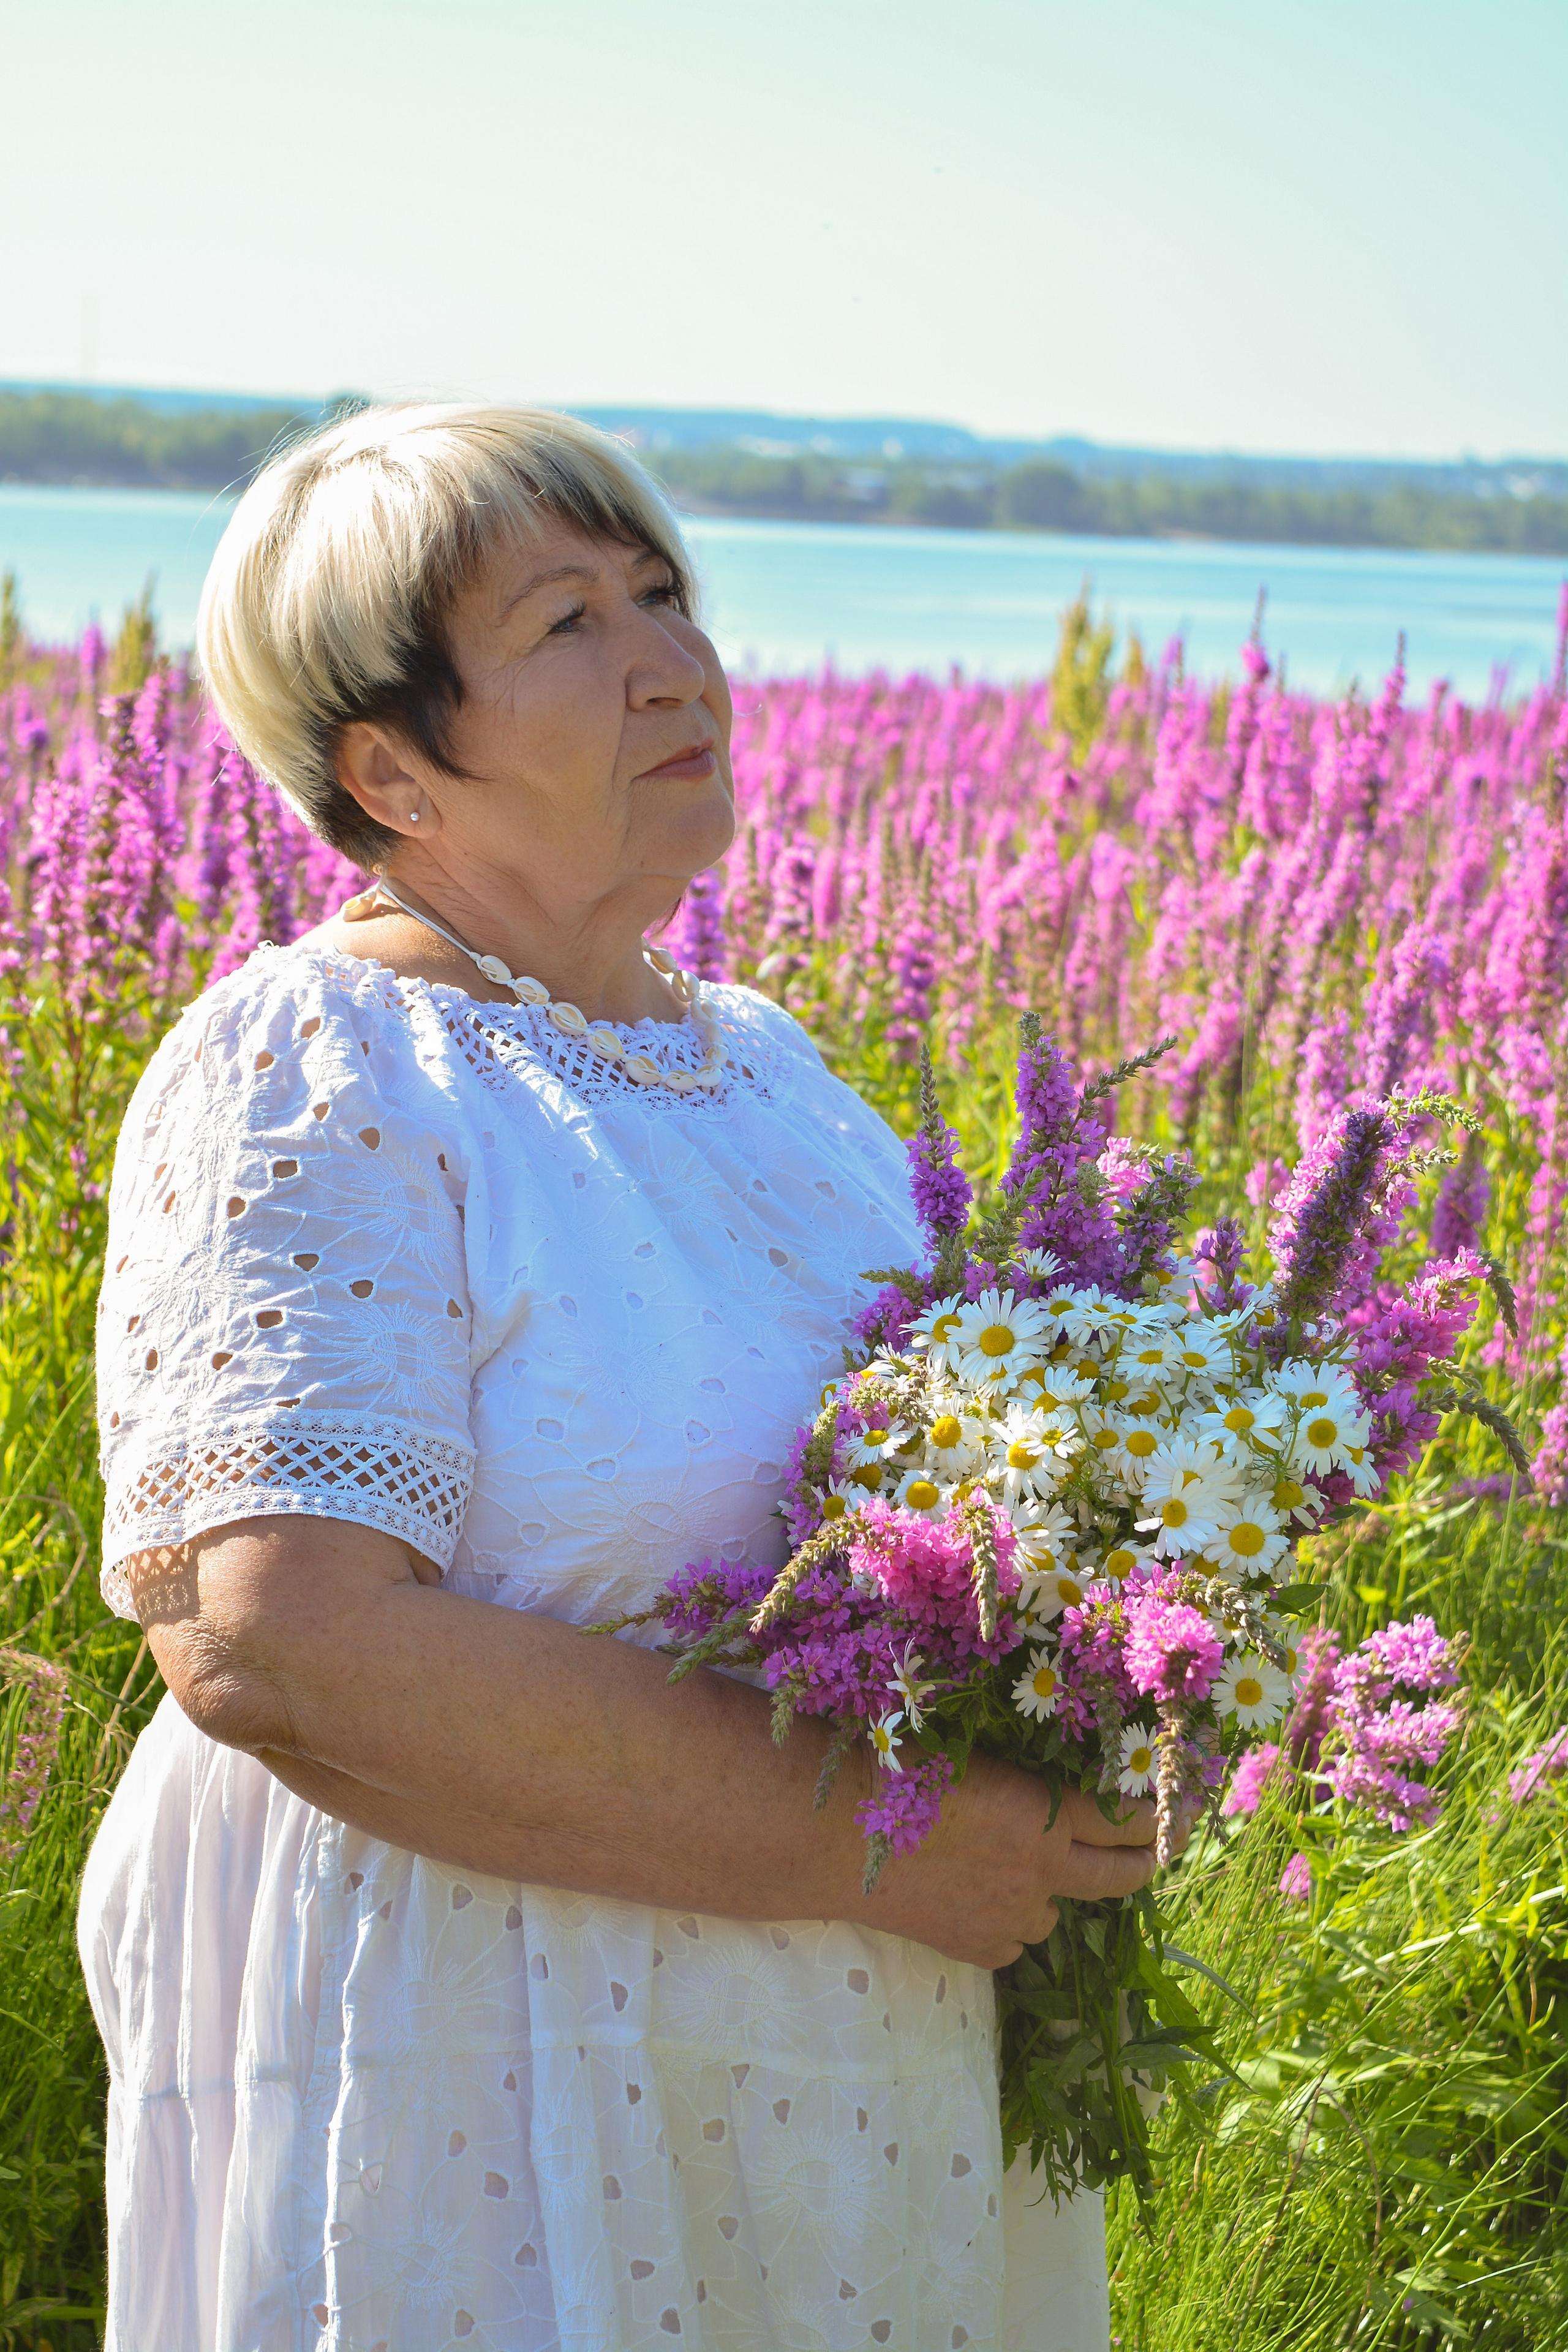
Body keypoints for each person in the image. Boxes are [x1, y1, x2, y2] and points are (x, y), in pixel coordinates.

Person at [78, 402, 1161, 2351]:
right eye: (568, 620)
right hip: (484, 2069)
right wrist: (887, 1844)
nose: (675, 662)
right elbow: (281, 1643)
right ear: (392, 767)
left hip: (839, 2069)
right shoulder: (322, 1063)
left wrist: (1102, 1683)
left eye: (666, 594)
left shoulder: (773, 1071)